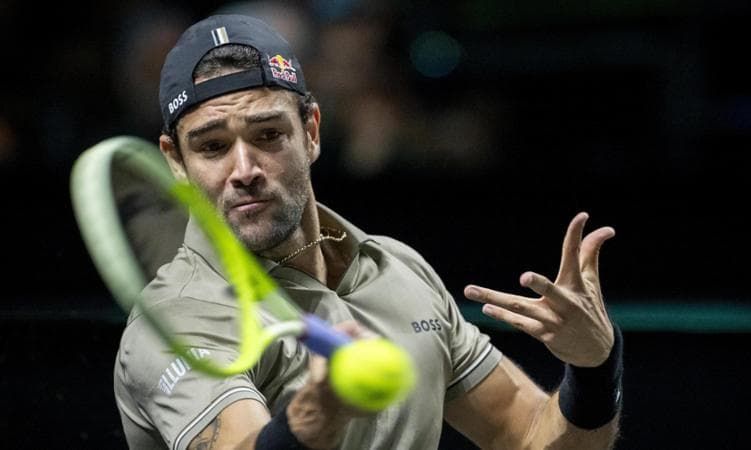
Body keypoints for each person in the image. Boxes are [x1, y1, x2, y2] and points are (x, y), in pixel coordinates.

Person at [113, 14, 623, 450]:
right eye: (212, 147)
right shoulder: (175, 322)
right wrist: (311, 421)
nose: (244, 167)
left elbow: (530, 433)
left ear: (311, 131)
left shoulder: (398, 267)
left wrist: (596, 370)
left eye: (268, 135)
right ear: (176, 162)